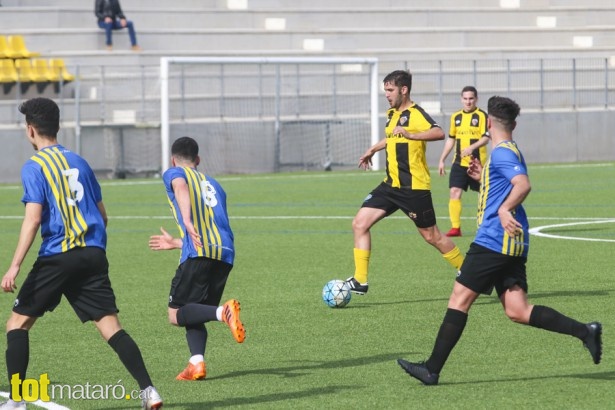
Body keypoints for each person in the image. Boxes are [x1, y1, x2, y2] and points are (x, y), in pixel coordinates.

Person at [397, 96, 602, 385]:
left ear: (488, 122)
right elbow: (508, 184)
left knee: (459, 299)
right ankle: (586, 331)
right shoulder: (509, 149)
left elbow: (523, 185)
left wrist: (504, 209)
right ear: (514, 124)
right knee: (518, 310)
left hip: (494, 241)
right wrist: (485, 179)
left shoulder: (503, 153)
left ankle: (431, 369)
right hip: (510, 242)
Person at [0, 98, 162, 409]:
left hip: (58, 256)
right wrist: (92, 250)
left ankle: (17, 401)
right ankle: (149, 391)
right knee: (110, 326)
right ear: (56, 127)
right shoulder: (80, 162)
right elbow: (103, 216)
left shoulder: (33, 167)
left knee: (16, 325)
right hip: (92, 254)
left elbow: (33, 219)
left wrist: (14, 266)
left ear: (30, 130)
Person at [345, 69, 465, 295]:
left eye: (390, 90)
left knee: (432, 236)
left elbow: (439, 133)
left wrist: (411, 135)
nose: (387, 95)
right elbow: (393, 136)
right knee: (359, 224)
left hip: (413, 188)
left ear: (404, 89)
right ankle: (360, 280)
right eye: (385, 91)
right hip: (390, 185)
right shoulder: (392, 113)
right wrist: (373, 148)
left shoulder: (416, 113)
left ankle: (467, 271)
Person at [148, 136, 245, 381]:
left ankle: (224, 312)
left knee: (176, 313)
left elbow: (180, 185)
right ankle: (196, 364)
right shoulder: (215, 185)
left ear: (173, 160)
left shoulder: (173, 173)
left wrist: (188, 222)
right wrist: (177, 243)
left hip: (198, 254)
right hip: (224, 254)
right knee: (195, 310)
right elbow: (215, 229)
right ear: (198, 159)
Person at [438, 86, 490, 237]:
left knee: (485, 194)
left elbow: (486, 138)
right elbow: (451, 139)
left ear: (476, 99)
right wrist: (442, 160)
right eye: (465, 99)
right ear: (461, 99)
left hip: (477, 164)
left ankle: (486, 225)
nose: (468, 102)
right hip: (459, 163)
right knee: (454, 191)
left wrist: (471, 147)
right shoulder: (456, 117)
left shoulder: (482, 116)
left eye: (471, 98)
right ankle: (456, 228)